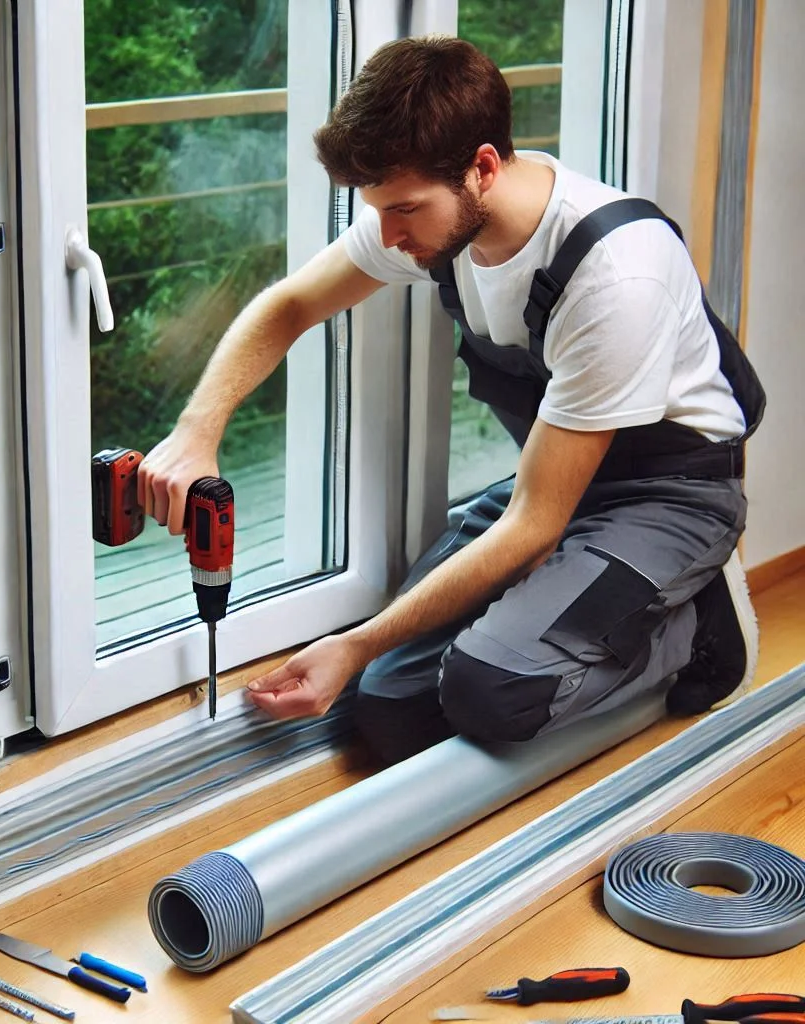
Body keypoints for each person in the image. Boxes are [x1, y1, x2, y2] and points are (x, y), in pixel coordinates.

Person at [137, 35, 765, 764]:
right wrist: (196, 432)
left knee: (491, 690)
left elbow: (533, 525)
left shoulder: (617, 275)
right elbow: (288, 306)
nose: (387, 235)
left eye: (403, 209)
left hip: (670, 496)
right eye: (376, 209)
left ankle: (699, 632)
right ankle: (598, 613)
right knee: (391, 704)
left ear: (484, 168)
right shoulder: (432, 223)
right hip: (558, 481)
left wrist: (354, 641)